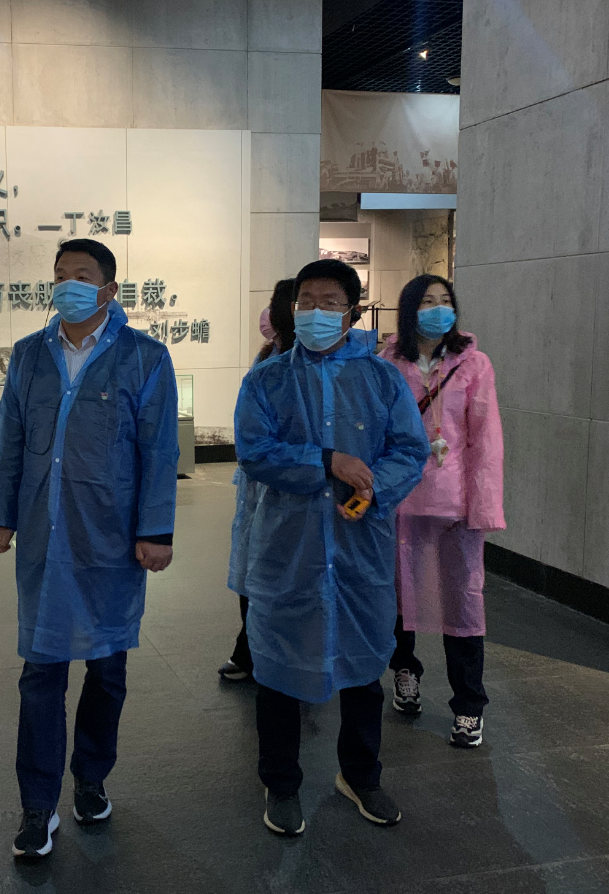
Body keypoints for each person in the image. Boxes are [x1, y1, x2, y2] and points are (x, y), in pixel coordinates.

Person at [0, 238, 179, 859]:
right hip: (43, 537)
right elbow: (12, 441)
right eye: (60, 275)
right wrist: (2, 514)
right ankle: (37, 804)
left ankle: (91, 778)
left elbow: (159, 452)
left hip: (111, 540)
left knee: (106, 667)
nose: (68, 285)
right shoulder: (29, 354)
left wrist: (156, 531)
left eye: (82, 275)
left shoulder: (145, 357)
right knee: (40, 672)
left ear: (109, 289)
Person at [234, 259, 429, 836]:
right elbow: (254, 450)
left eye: (329, 302)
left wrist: (373, 486)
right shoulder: (267, 379)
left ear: (352, 311)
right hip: (287, 548)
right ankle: (281, 782)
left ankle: (361, 775)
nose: (315, 312)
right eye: (306, 301)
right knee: (277, 668)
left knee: (363, 662)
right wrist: (326, 461)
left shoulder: (382, 379)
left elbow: (409, 451)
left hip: (358, 546)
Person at [378, 274, 504, 748]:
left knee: (464, 600)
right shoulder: (388, 363)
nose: (437, 309)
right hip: (401, 498)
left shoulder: (474, 363)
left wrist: (482, 507)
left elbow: (485, 440)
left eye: (445, 300)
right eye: (427, 301)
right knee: (398, 594)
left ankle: (469, 704)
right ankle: (405, 672)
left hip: (455, 503)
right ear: (409, 310)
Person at [220, 278, 297, 681]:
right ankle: (251, 649)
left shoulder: (306, 366)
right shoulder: (267, 358)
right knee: (253, 573)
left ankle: (273, 653)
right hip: (260, 486)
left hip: (297, 487)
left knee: (292, 576)